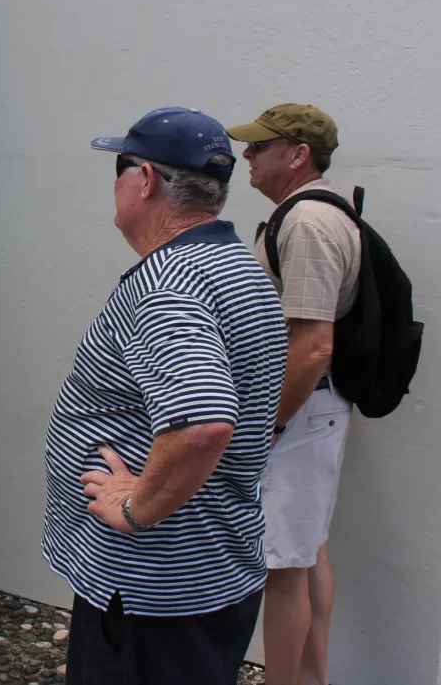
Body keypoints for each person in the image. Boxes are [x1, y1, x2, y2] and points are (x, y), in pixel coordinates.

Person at [42, 107, 289, 685]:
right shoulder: (234, 265)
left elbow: (203, 425)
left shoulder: (169, 285)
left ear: (146, 179)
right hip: (207, 572)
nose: (116, 184)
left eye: (120, 168)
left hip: (151, 589)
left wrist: (137, 508)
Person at [226, 104, 356, 685]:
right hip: (311, 408)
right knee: (306, 554)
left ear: (299, 154)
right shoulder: (314, 213)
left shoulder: (305, 222)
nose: (247, 155)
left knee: (282, 566)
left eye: (260, 145)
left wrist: (269, 424)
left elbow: (313, 345)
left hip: (299, 409)